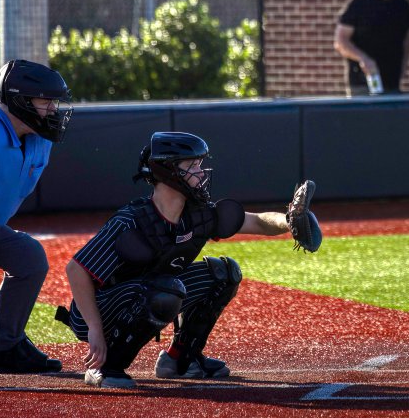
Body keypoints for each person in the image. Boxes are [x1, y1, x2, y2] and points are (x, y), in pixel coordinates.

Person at [60, 131, 318, 389]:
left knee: (224, 273)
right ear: (169, 172)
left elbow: (258, 222)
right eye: (192, 166)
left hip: (152, 292)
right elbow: (77, 270)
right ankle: (104, 366)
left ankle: (180, 360)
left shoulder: (197, 215)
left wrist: (290, 221)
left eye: (199, 165)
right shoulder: (130, 221)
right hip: (95, 311)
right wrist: (94, 328)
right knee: (163, 290)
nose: (201, 173)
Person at [0, 60, 72, 374]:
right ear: (21, 100)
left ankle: (5, 347)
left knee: (28, 258)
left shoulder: (40, 137)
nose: (53, 109)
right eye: (46, 101)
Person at [334, 0, 409, 96]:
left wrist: (404, 66)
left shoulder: (402, 7)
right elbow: (340, 41)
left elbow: (408, 39)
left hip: (391, 81)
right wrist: (363, 58)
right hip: (362, 82)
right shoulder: (359, 5)